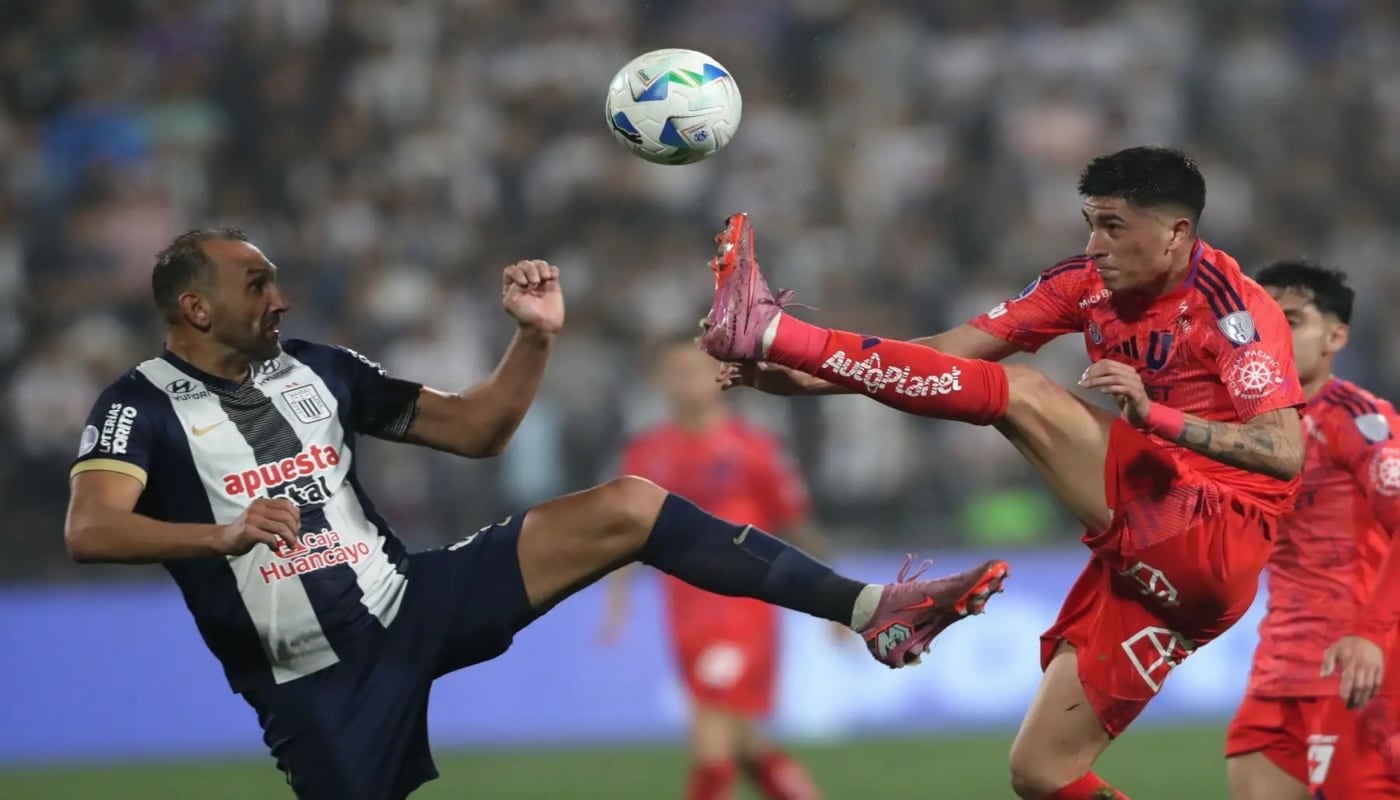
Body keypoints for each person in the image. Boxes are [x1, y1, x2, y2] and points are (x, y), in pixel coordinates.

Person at [63, 228, 1009, 800]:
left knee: (630, 508)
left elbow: (476, 431)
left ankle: (871, 610)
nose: (281, 297)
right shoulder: (136, 406)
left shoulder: (319, 368)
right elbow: (91, 530)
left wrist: (532, 340)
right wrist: (218, 533)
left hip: (411, 600)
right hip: (314, 679)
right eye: (256, 285)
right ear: (193, 306)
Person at [701, 146, 1306, 800]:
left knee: (1021, 392)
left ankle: (768, 328)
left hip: (1218, 529)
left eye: (1113, 226)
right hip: (1152, 562)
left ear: (1177, 233)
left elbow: (1282, 451)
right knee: (1042, 772)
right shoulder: (1084, 283)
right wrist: (810, 377)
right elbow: (944, 357)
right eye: (1090, 223)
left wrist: (1156, 418)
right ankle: (776, 340)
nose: (1094, 244)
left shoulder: (1234, 310)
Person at [599, 333, 830, 800]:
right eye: (675, 372)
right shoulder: (644, 455)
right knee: (744, 742)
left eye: (694, 370)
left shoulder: (754, 448)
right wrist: (616, 601)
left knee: (711, 741)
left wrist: (834, 597)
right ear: (659, 381)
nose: (685, 382)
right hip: (684, 612)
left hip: (743, 610)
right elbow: (622, 533)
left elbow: (796, 524)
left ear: (719, 376)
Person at [1224, 260, 1400, 800]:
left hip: (1359, 667)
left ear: (1335, 336)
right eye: (1261, 322)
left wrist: (1370, 636)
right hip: (1279, 668)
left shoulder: (1357, 419)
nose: (1271, 336)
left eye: (1291, 321)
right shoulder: (1239, 428)